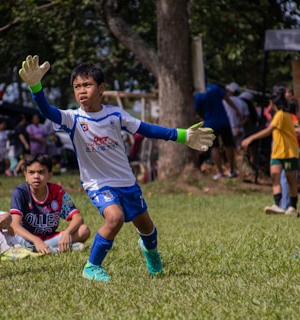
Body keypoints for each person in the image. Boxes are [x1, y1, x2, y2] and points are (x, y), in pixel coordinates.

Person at [18, 55, 215, 281]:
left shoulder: (115, 114)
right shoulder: (72, 118)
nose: (81, 91)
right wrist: (36, 87)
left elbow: (147, 129)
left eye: (87, 85)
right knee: (114, 218)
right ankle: (91, 267)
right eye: (77, 87)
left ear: (101, 88)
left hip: (127, 183)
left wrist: (181, 135)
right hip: (98, 184)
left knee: (147, 229)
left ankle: (150, 252)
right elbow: (47, 111)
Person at [10, 153, 90, 254]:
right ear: (26, 176)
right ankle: (57, 250)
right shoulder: (21, 192)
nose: (36, 176)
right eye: (31, 172)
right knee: (13, 234)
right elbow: (15, 225)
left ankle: (40, 250)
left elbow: (78, 218)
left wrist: (67, 233)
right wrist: (36, 240)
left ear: (49, 175)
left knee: (84, 230)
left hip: (50, 238)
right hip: (27, 238)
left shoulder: (57, 192)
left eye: (41, 172)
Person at [242, 83, 299, 215]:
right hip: (277, 152)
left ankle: (292, 206)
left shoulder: (282, 115)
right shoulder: (279, 114)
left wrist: (250, 138)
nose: (290, 94)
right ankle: (278, 205)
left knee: (291, 180)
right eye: (287, 92)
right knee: (275, 177)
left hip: (289, 152)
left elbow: (269, 130)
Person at [194, 84, 240, 180]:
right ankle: (232, 170)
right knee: (228, 145)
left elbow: (196, 110)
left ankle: (220, 172)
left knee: (214, 147)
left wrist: (203, 117)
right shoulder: (216, 88)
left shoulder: (199, 94)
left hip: (210, 123)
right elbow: (227, 99)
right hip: (224, 122)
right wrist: (236, 109)